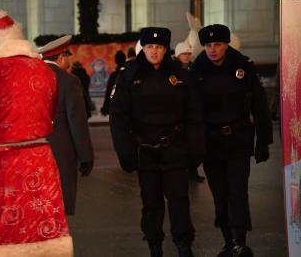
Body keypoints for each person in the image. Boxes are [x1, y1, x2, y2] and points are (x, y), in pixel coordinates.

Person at [0, 11, 72, 256]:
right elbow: (51, 112)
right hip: (40, 159)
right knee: (40, 223)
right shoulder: (44, 70)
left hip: (0, 163)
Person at [110, 27, 204, 257]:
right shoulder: (129, 75)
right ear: (144, 47)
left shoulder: (180, 75)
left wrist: (196, 149)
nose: (154, 51)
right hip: (146, 151)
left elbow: (194, 114)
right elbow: (118, 118)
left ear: (165, 49)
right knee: (151, 204)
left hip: (175, 148)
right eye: (150, 47)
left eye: (159, 47)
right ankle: (155, 246)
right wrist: (126, 152)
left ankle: (184, 245)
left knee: (179, 200)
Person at [190, 24, 273, 257]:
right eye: (208, 45)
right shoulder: (197, 70)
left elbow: (259, 105)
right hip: (211, 141)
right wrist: (193, 145)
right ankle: (228, 240)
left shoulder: (243, 67)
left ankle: (240, 241)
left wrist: (264, 140)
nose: (213, 49)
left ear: (226, 44)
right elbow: (191, 111)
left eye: (217, 44)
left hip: (238, 139)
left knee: (237, 191)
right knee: (220, 193)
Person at [38, 35, 94, 215]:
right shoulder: (69, 81)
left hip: (33, 150)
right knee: (59, 205)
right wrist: (86, 156)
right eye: (68, 56)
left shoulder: (31, 79)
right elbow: (77, 121)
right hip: (61, 151)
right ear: (61, 57)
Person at [173, 42, 205, 183]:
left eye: (188, 54)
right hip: (180, 115)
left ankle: (192, 172)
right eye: (183, 54)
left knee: (193, 146)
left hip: (192, 114)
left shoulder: (194, 69)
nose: (186, 56)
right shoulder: (173, 71)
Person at [100, 50, 126, 116]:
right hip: (128, 107)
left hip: (116, 107)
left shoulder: (114, 75)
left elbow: (109, 92)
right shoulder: (129, 73)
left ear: (116, 61)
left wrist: (105, 107)